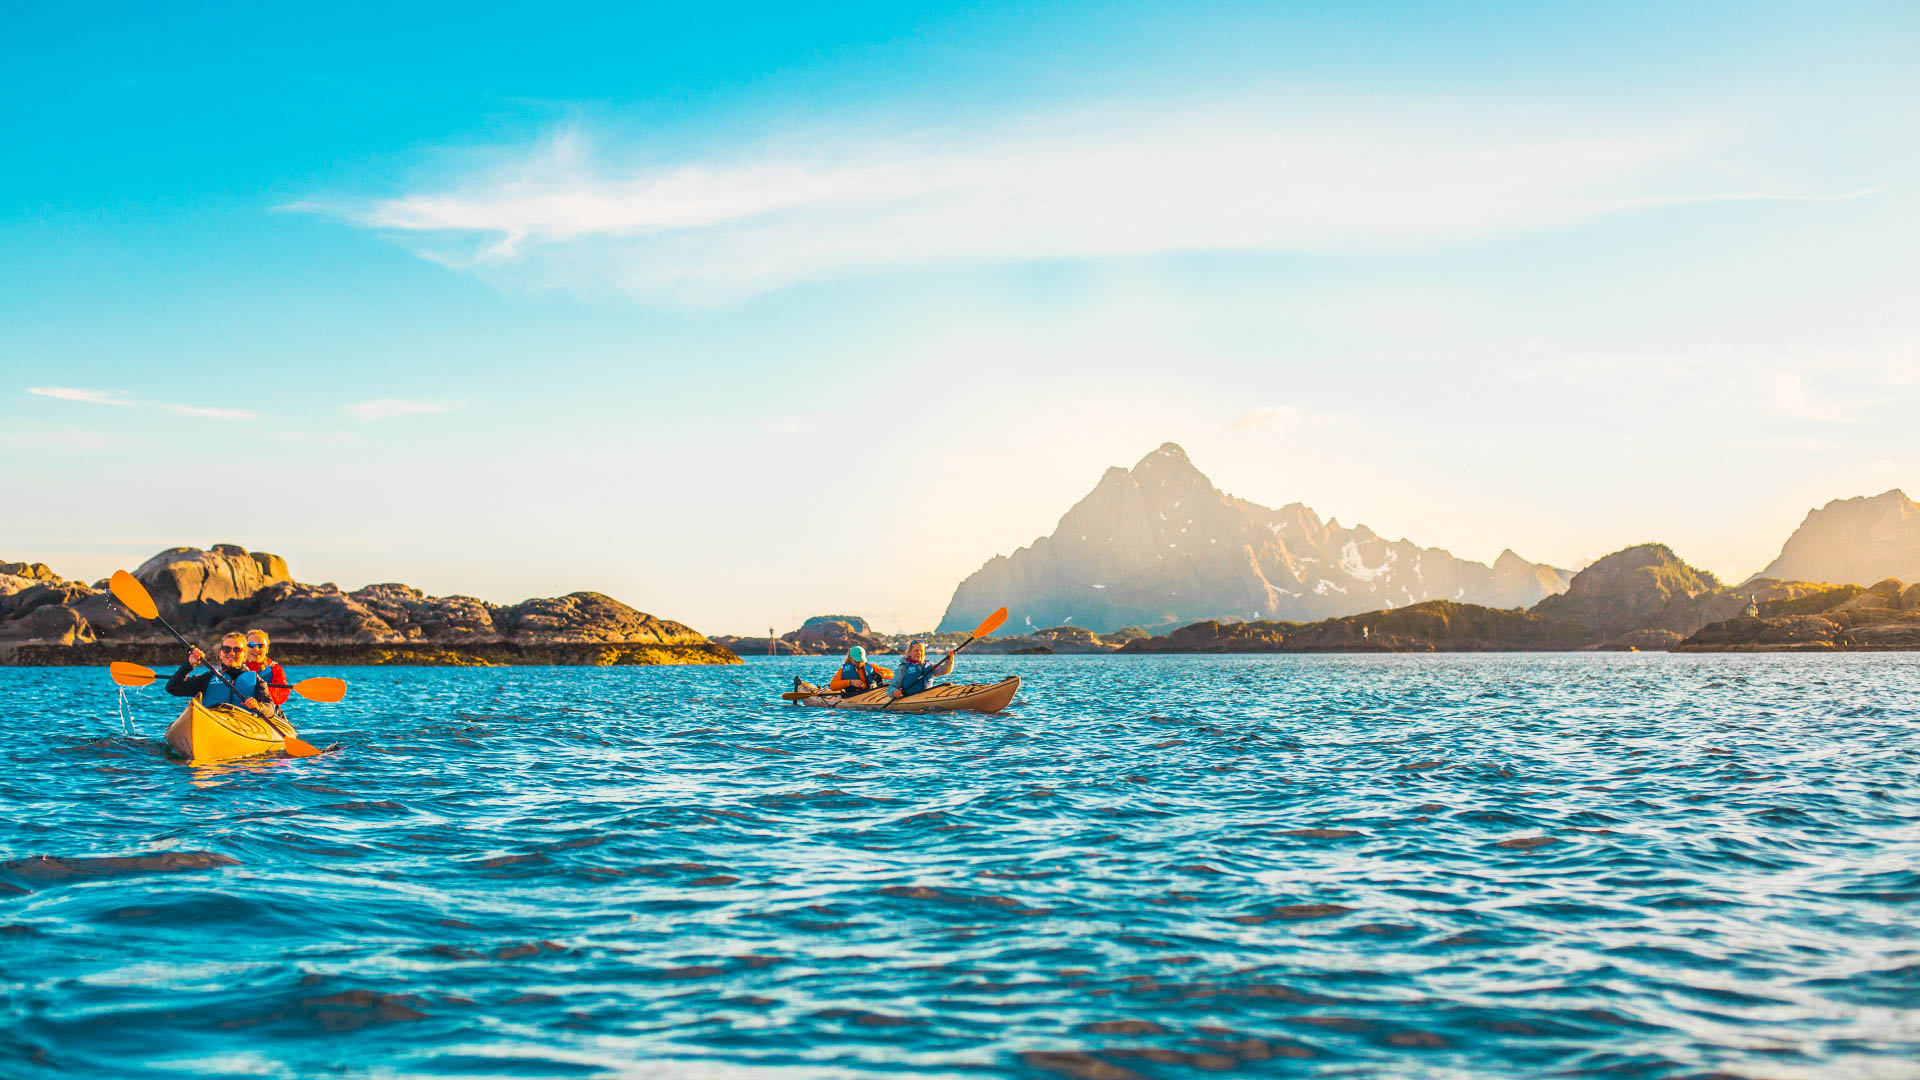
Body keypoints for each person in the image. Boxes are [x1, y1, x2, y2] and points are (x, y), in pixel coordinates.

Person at [164, 632, 273, 716]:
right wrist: (189, 664)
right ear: (220, 654)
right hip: (212, 722)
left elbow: (270, 709)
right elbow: (172, 688)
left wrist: (258, 707)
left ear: (244, 655)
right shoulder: (208, 677)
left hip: (243, 726)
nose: (232, 653)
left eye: (237, 650)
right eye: (226, 649)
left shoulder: (256, 680)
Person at [889, 640, 954, 700]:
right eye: (916, 650)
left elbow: (945, 670)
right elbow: (892, 687)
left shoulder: (929, 666)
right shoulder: (903, 668)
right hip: (911, 699)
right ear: (910, 652)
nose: (919, 653)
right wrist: (894, 692)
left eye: (921, 651)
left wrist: (949, 659)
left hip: (928, 697)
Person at [244, 629, 292, 708]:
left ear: (266, 649)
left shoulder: (275, 669)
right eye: (251, 645)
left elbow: (281, 696)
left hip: (265, 711)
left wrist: (261, 691)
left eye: (261, 646)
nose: (256, 649)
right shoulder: (237, 667)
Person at [828, 646, 892, 693]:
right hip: (852, 696)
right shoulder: (842, 671)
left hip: (871, 692)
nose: (859, 663)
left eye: (861, 661)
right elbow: (832, 686)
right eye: (857, 661)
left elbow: (891, 673)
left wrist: (881, 674)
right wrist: (850, 682)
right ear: (850, 658)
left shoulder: (871, 667)